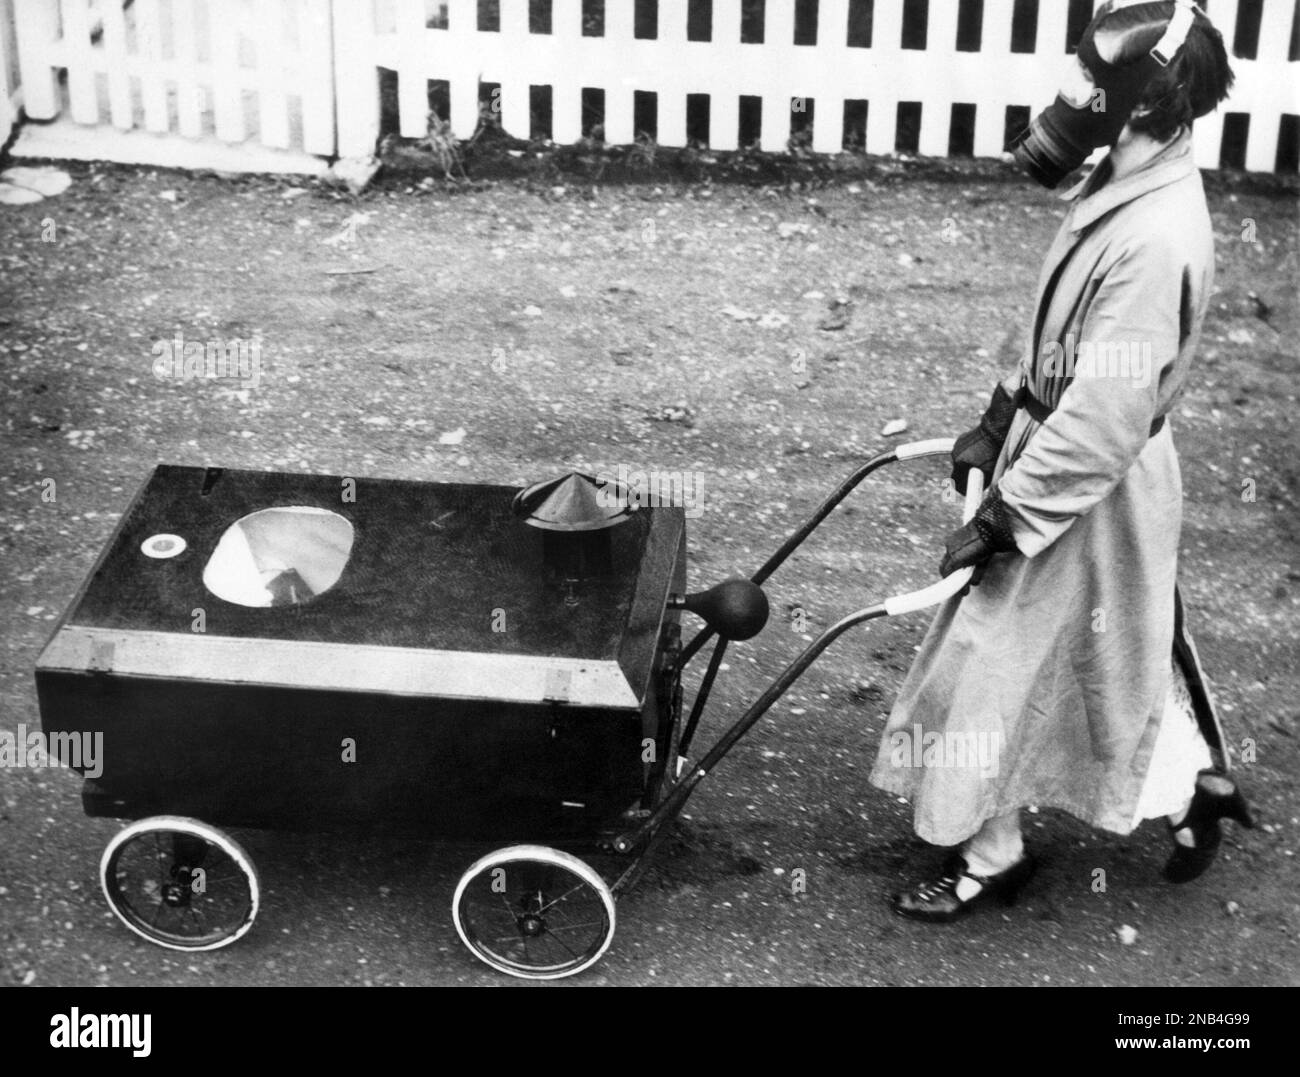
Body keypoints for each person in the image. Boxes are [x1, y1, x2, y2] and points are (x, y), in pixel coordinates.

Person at [870, 0, 1254, 923]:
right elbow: (1058, 335)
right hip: (1062, 463)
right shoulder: (1123, 180)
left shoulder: (1156, 237)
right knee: (1097, 656)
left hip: (1084, 486)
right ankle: (1191, 788)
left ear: (1150, 107)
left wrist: (1008, 516)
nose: (1070, 96)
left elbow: (1107, 408)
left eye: (1092, 83)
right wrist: (999, 412)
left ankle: (992, 853)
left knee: (1001, 660)